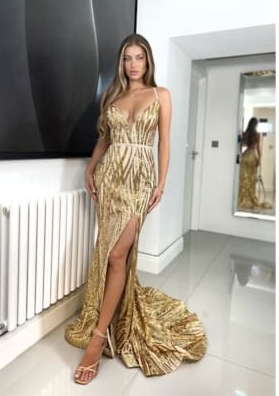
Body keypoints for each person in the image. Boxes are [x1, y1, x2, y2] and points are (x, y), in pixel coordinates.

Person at [65, 33, 207, 385]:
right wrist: (90, 167)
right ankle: (109, 316)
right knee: (111, 254)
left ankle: (96, 342)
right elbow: (105, 138)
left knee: (116, 255)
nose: (132, 64)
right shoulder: (111, 97)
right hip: (111, 177)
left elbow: (165, 142)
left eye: (139, 57)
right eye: (127, 58)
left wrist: (160, 183)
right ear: (121, 62)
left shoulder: (161, 96)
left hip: (140, 180)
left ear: (148, 61)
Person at [238, 117, 263, 209]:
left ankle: (243, 197)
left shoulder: (245, 133)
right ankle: (250, 197)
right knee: (252, 178)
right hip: (253, 156)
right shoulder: (258, 134)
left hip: (245, 155)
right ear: (256, 125)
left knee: (244, 178)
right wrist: (260, 159)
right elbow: (258, 148)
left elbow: (242, 145)